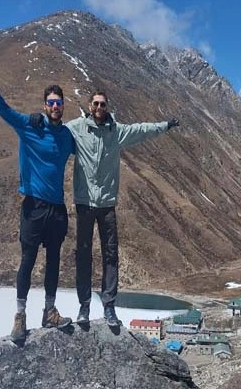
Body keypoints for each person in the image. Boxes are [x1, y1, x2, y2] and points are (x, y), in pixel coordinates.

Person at [0, 49, 75, 342]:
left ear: (63, 106)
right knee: (28, 261)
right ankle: (20, 316)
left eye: (59, 102)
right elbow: (3, 109)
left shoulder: (67, 136)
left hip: (57, 209)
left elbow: (90, 148)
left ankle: (49, 311)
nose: (55, 106)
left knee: (54, 261)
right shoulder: (30, 126)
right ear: (45, 105)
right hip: (33, 206)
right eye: (51, 102)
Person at [66, 91, 179, 326]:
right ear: (90, 105)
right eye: (96, 103)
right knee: (84, 256)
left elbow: (142, 130)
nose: (99, 107)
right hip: (85, 203)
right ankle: (84, 307)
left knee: (111, 255)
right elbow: (54, 133)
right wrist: (38, 124)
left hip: (107, 204)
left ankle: (109, 307)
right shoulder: (76, 128)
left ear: (107, 106)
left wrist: (165, 125)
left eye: (103, 104)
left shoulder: (116, 131)